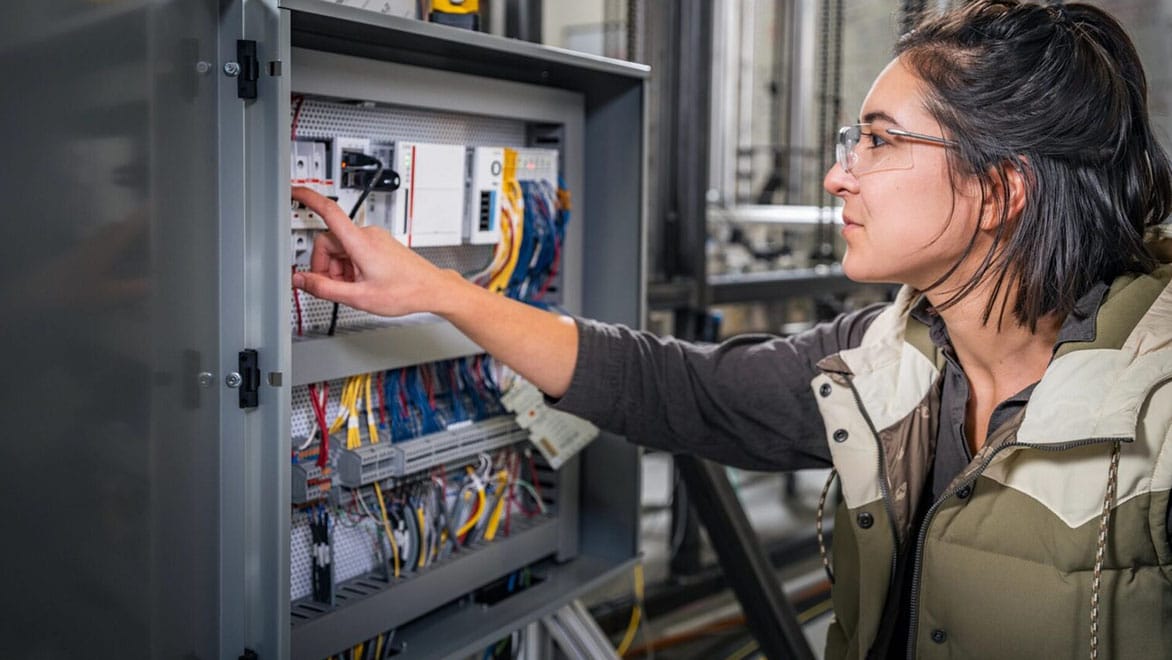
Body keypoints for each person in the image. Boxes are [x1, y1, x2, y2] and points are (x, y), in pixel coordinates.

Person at [291, 1, 1172, 657]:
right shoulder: (885, 362)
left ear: (1000, 190)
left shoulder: (1158, 415)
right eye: (848, 139)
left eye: (879, 141)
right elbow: (676, 390)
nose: (838, 175)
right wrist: (439, 290)